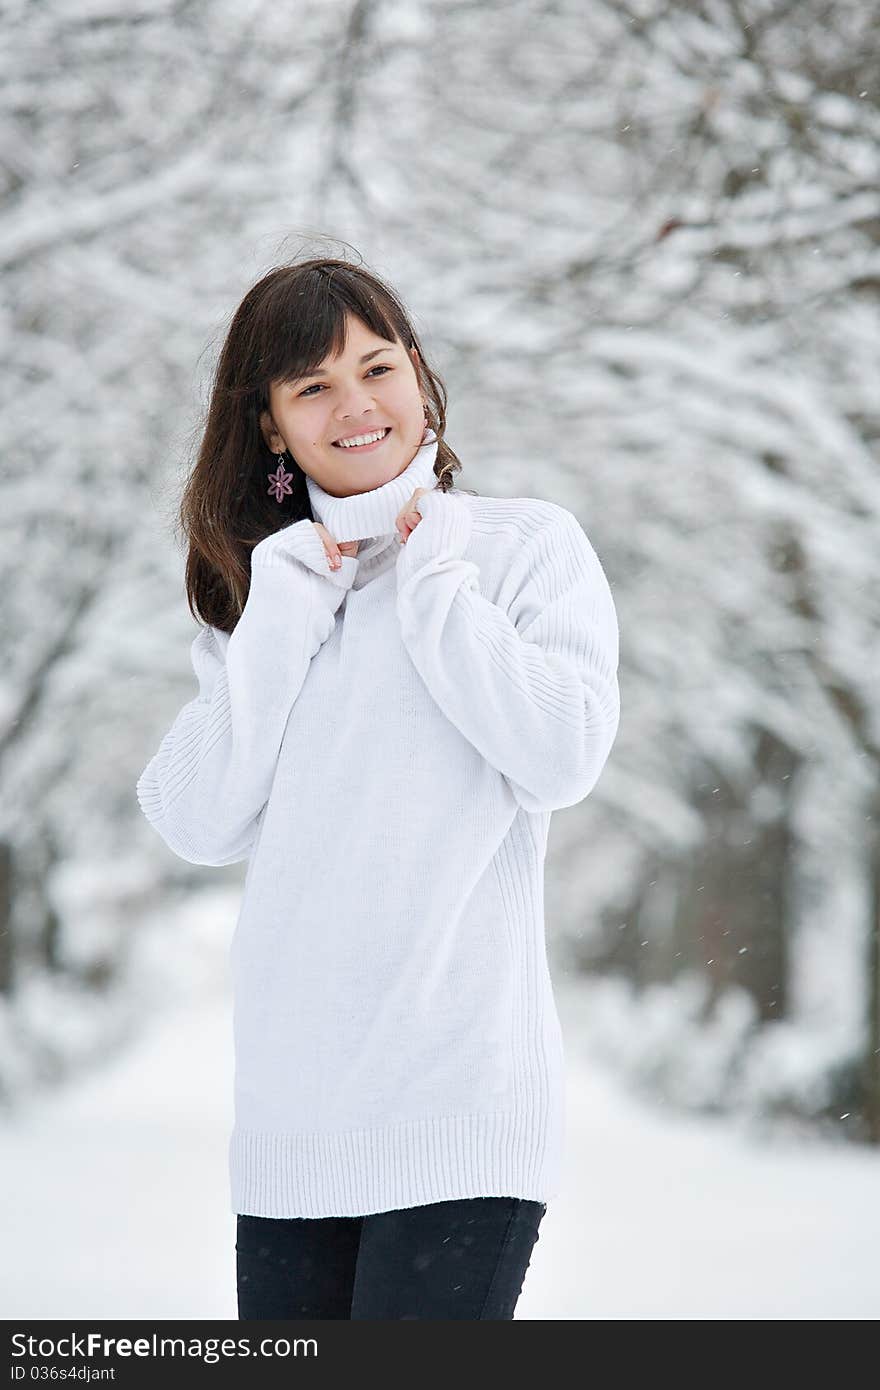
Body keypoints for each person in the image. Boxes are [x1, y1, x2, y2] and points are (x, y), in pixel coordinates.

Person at [136, 254, 620, 1320]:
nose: (356, 405)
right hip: (293, 1121)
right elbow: (199, 818)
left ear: (418, 372)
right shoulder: (257, 594)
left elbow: (562, 753)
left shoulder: (518, 548)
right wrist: (276, 615)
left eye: (377, 366)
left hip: (460, 1108)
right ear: (268, 424)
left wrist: (437, 586)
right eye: (311, 386)